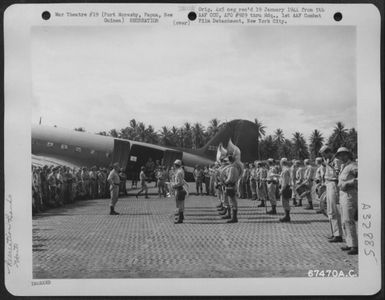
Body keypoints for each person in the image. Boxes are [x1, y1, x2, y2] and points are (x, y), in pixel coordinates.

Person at [336, 147, 358, 255]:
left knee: (349, 220)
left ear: (348, 155)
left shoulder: (353, 166)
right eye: (340, 155)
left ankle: (354, 245)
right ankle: (349, 243)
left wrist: (349, 182)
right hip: (342, 195)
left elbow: (361, 177)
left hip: (350, 195)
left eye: (343, 154)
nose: (341, 157)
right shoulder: (343, 167)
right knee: (344, 220)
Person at [320, 145, 343, 243]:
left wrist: (329, 165)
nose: (323, 156)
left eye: (324, 154)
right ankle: (334, 232)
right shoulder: (328, 161)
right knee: (329, 209)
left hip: (334, 184)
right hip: (328, 183)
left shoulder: (336, 160)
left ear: (328, 152)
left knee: (334, 210)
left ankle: (338, 234)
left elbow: (338, 173)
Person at [222, 141, 243, 223]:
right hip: (232, 185)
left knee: (232, 201)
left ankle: (234, 218)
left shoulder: (232, 168)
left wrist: (225, 181)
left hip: (230, 185)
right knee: (232, 201)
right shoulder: (235, 167)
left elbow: (230, 178)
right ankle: (233, 217)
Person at [172, 159, 186, 224]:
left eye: (174, 165)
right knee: (180, 204)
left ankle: (180, 219)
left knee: (179, 204)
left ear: (176, 165)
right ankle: (181, 217)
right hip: (180, 188)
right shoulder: (180, 170)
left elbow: (180, 182)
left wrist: (174, 185)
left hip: (179, 189)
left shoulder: (179, 172)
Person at [279, 158, 292, 222]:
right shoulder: (287, 169)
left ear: (282, 163)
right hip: (287, 187)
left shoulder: (285, 170)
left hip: (285, 187)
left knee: (284, 202)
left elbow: (285, 181)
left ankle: (287, 216)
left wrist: (282, 189)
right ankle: (286, 215)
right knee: (285, 201)